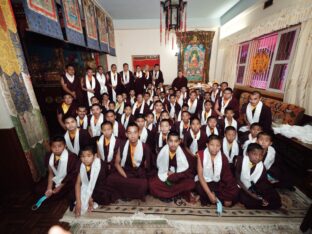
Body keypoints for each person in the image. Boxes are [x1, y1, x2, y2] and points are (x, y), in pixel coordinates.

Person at [106, 123, 153, 201]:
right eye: (130, 133)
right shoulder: (122, 145)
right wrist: (125, 176)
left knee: (144, 184)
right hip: (125, 171)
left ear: (138, 133)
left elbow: (147, 166)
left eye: (135, 132)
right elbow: (117, 164)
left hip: (138, 172)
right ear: (126, 134)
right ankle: (130, 192)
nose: (133, 135)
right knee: (110, 179)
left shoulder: (145, 147)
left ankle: (125, 192)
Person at [149, 131, 195, 202]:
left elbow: (189, 171)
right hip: (165, 178)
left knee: (190, 183)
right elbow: (157, 168)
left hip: (177, 178)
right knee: (152, 184)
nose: (173, 144)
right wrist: (166, 173)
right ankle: (176, 194)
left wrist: (175, 174)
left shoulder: (183, 152)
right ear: (167, 141)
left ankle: (166, 195)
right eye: (171, 141)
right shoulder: (162, 151)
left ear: (179, 141)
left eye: (176, 141)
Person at [196, 135, 239, 206]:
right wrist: (209, 194)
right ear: (207, 145)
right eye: (212, 145)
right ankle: (212, 197)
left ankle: (211, 197)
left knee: (235, 190)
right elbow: (200, 176)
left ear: (220, 146)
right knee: (199, 187)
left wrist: (229, 193)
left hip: (217, 183)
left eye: (218, 145)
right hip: (205, 182)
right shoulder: (201, 154)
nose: (215, 148)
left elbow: (227, 177)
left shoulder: (223, 157)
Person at [235, 143, 282, 209]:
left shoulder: (261, 166)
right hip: (241, 187)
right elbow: (237, 180)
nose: (258, 157)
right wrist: (253, 195)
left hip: (253, 187)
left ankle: (261, 202)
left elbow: (263, 182)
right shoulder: (239, 160)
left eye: (261, 155)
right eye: (254, 154)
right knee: (245, 199)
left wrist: (261, 194)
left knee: (275, 198)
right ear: (247, 153)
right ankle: (258, 202)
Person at [36, 136, 79, 202]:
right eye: (54, 147)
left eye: (59, 146)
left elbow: (72, 175)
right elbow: (50, 173)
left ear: (65, 146)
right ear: (50, 147)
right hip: (56, 178)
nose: (57, 149)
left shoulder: (72, 157)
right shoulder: (49, 156)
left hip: (68, 181)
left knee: (53, 195)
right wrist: (49, 188)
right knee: (38, 190)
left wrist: (60, 186)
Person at [74, 146, 113, 217]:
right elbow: (78, 183)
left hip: (100, 186)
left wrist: (91, 197)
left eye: (89, 156)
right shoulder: (81, 165)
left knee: (105, 196)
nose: (85, 159)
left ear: (95, 156)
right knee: (72, 195)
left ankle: (92, 200)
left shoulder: (100, 165)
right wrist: (78, 202)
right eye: (82, 156)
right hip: (88, 185)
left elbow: (101, 184)